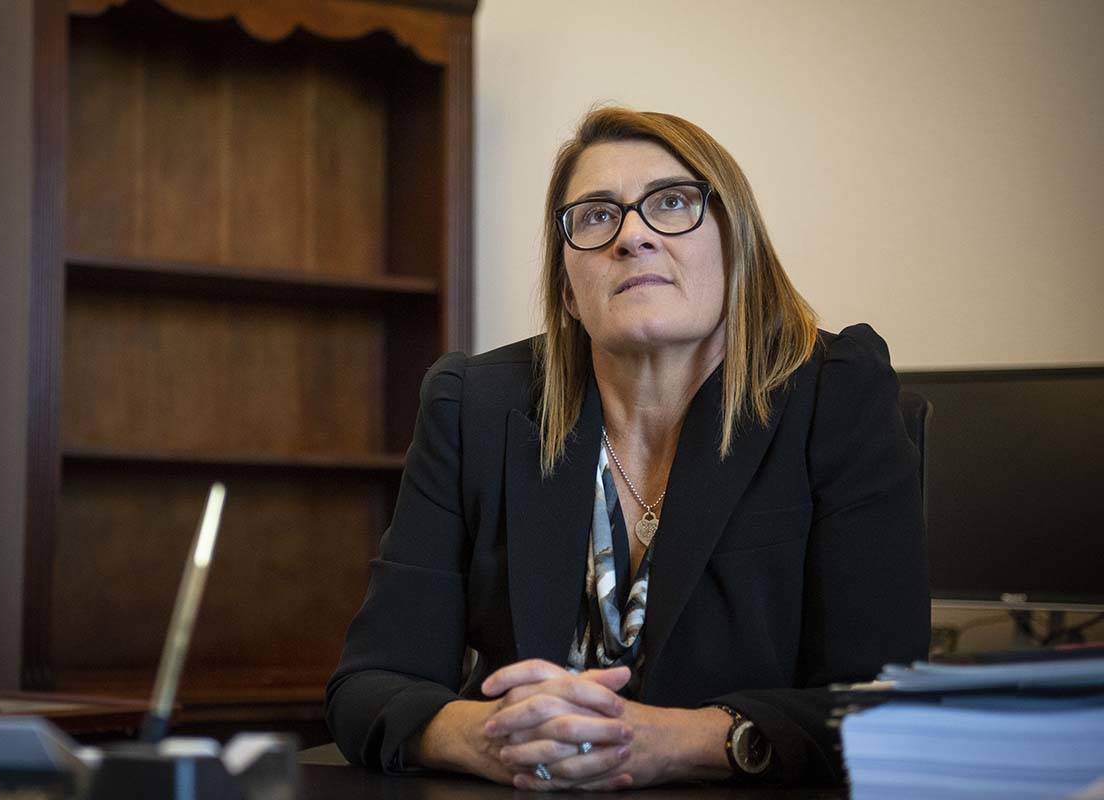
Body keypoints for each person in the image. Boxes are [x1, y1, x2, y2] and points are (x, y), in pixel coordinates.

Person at [325, 106, 929, 790]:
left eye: (671, 203)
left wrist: (684, 740)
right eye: (596, 216)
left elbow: (884, 701)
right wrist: (485, 736)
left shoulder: (835, 395)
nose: (632, 236)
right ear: (568, 289)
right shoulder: (473, 406)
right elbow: (368, 686)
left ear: (739, 249)